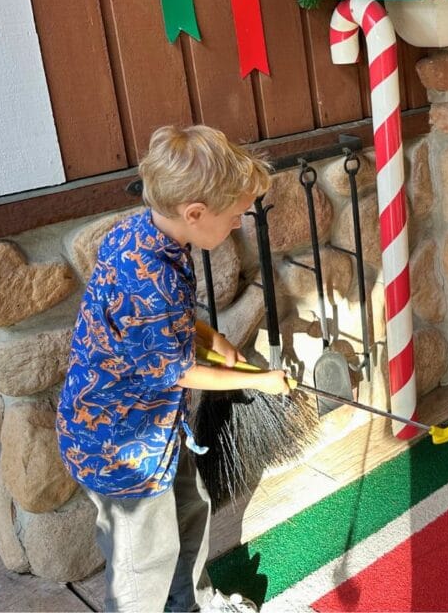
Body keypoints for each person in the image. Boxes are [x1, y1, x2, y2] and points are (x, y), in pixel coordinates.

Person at [56, 125, 290, 613]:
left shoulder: (145, 233)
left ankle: (194, 603)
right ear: (195, 213)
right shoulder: (151, 276)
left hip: (156, 432)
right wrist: (260, 380)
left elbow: (171, 325)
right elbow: (178, 372)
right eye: (232, 217)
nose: (236, 226)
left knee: (189, 511)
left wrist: (214, 337)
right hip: (119, 449)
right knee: (144, 561)